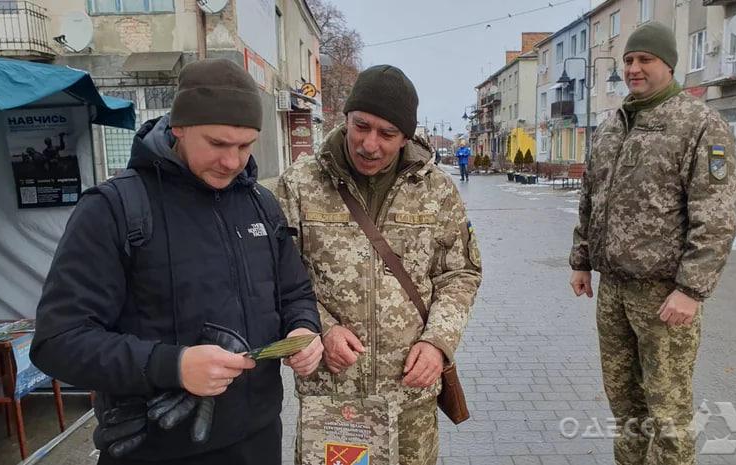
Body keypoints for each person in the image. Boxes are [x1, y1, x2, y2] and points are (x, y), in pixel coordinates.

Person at [31, 58, 323, 465]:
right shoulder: (114, 209)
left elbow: (295, 292)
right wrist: (173, 365)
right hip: (159, 447)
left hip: (258, 441)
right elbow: (57, 342)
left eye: (245, 146)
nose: (233, 162)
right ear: (179, 127)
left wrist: (305, 330)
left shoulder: (261, 205)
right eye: (218, 144)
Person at [277, 64, 482, 465]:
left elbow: (460, 273)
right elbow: (276, 275)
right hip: (332, 395)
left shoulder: (436, 190)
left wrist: (438, 342)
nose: (370, 144)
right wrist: (323, 327)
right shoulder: (299, 184)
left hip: (409, 396)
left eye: (387, 134)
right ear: (346, 119)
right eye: (361, 126)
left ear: (406, 136)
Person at [568, 23, 736, 465]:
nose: (633, 68)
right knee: (625, 405)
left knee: (668, 411)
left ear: (668, 64)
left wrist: (691, 289)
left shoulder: (698, 124)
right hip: (614, 292)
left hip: (665, 296)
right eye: (628, 60)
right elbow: (591, 197)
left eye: (645, 59)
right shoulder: (613, 127)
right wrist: (582, 259)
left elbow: (715, 217)